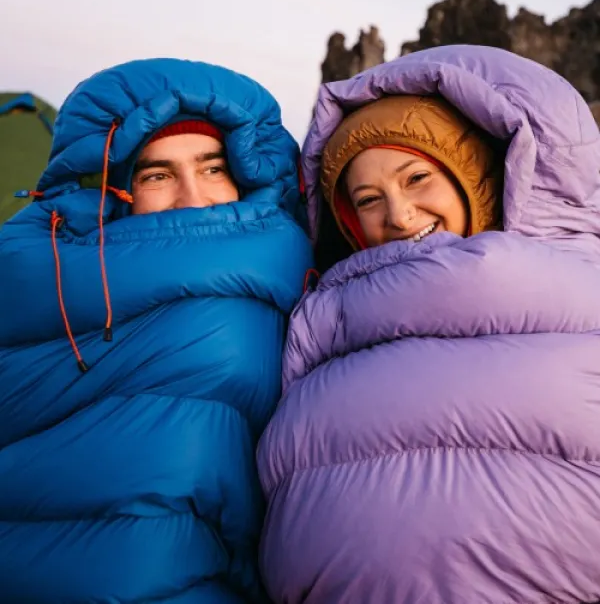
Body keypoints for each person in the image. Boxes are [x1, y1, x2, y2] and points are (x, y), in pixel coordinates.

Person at [257, 45, 600, 604]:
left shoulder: (579, 300)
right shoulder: (319, 326)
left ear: (475, 178)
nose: (398, 214)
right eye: (368, 198)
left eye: (417, 177)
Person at [0, 58, 312, 604]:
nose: (193, 197)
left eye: (213, 168)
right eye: (158, 175)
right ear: (113, 193)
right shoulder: (33, 275)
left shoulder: (295, 279)